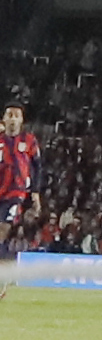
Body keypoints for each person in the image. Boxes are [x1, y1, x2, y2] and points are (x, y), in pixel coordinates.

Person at [0, 103, 34, 300]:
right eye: (9, 115)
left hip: (14, 192)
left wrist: (35, 193)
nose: (12, 118)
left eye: (16, 115)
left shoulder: (28, 140)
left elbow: (37, 166)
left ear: (22, 120)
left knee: (2, 230)